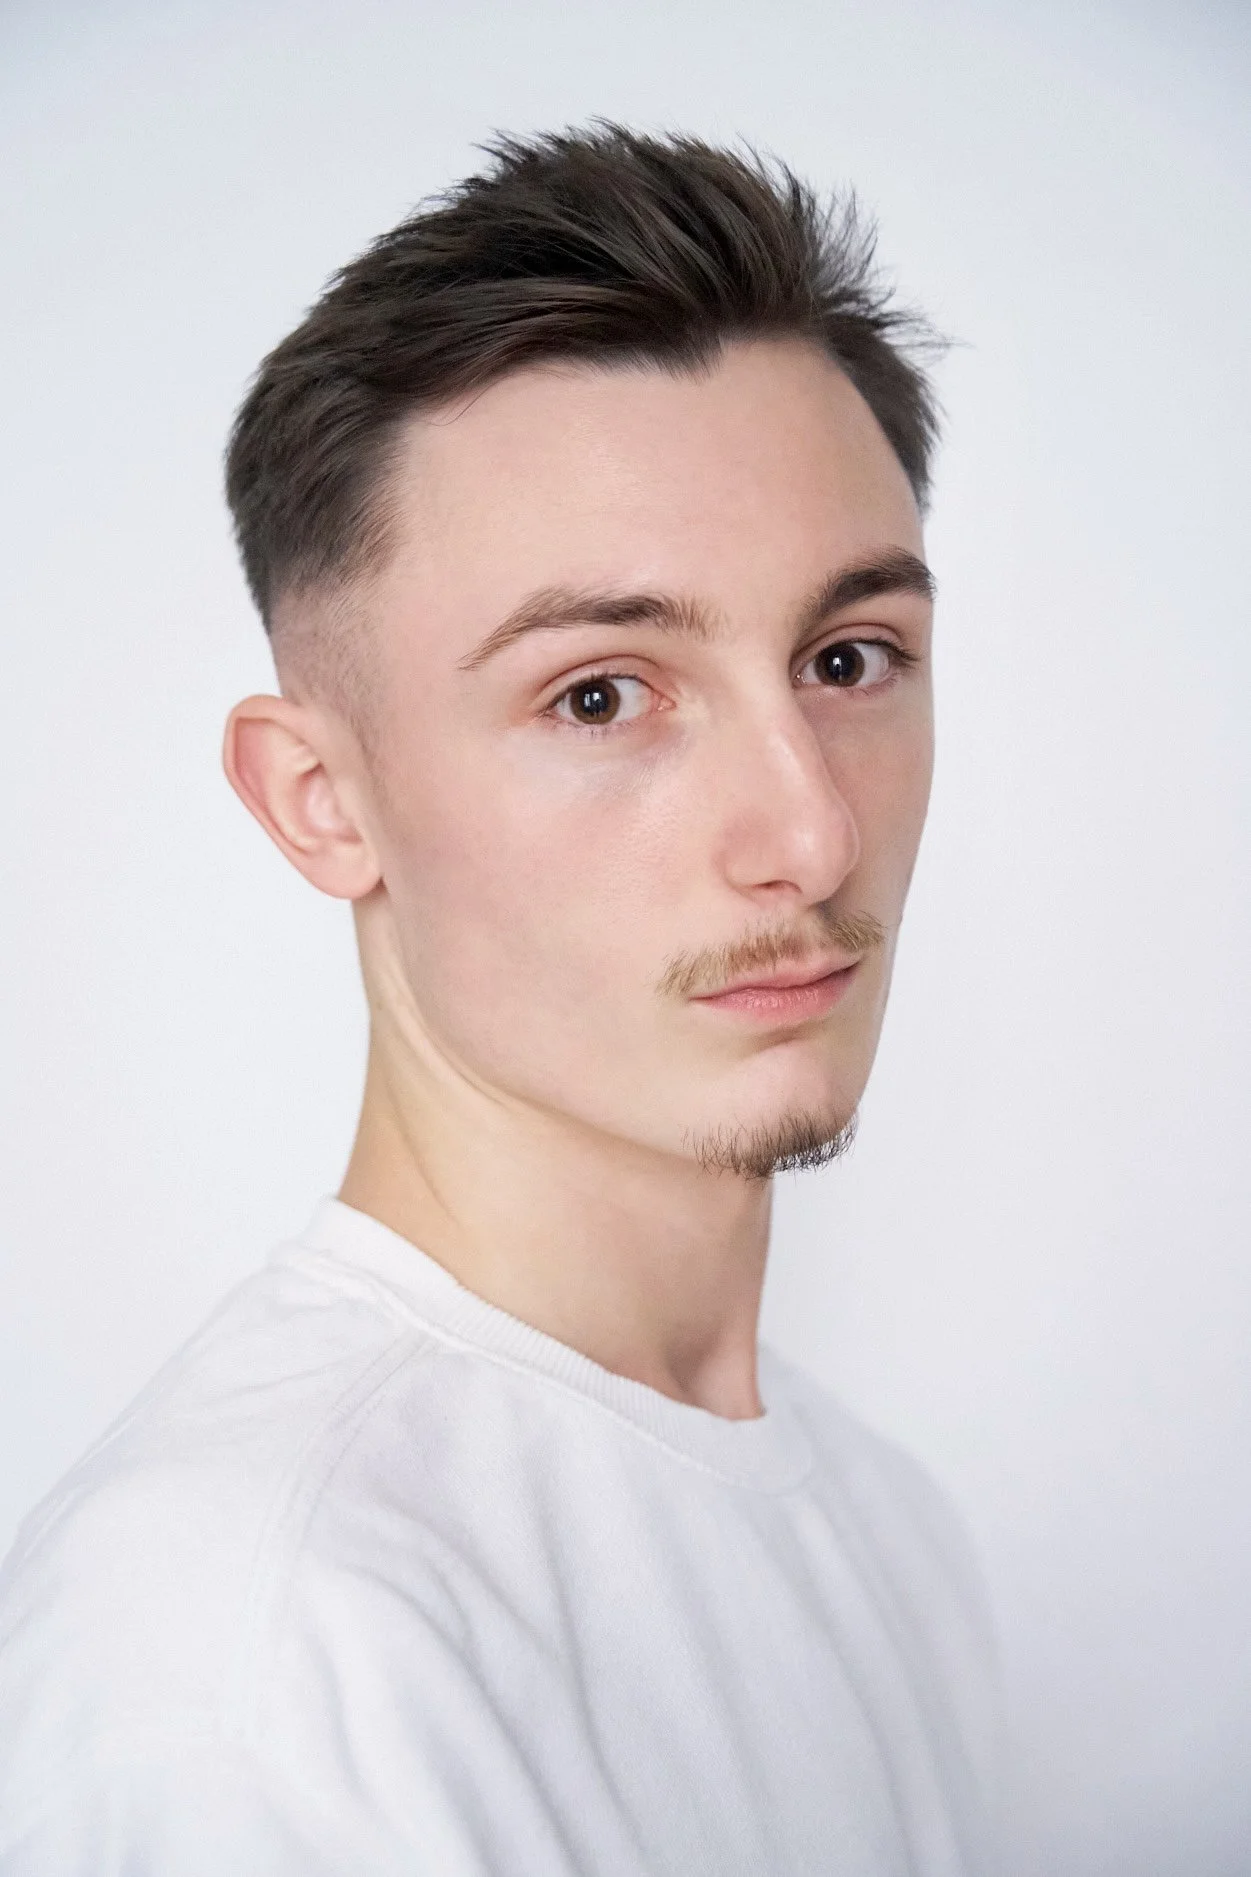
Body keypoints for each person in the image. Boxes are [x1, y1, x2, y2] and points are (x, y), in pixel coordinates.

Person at [0, 125, 997, 1874]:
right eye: (603, 696)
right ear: (323, 800)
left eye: (848, 662)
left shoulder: (893, 1530)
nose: (808, 829)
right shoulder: (257, 1644)